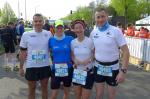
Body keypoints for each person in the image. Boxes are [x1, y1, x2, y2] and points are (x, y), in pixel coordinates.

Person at [90, 8, 130, 99]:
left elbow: (126, 51)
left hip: (113, 68)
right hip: (98, 67)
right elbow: (92, 51)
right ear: (95, 19)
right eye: (98, 17)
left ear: (107, 17)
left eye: (103, 16)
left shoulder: (116, 31)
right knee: (99, 94)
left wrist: (123, 71)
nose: (100, 19)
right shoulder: (93, 32)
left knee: (111, 96)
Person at [19, 13, 52, 99]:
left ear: (43, 22)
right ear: (32, 22)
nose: (38, 23)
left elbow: (52, 50)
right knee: (31, 89)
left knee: (44, 89)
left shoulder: (48, 34)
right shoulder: (26, 35)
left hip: (44, 66)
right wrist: (21, 67)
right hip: (31, 66)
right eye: (36, 21)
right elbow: (22, 53)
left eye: (40, 21)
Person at [49, 20, 73, 99]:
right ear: (54, 28)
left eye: (61, 27)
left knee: (66, 92)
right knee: (54, 94)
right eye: (57, 28)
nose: (59, 29)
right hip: (56, 69)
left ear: (63, 28)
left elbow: (76, 50)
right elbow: (46, 51)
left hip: (68, 68)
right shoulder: (51, 40)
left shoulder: (70, 39)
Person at [71, 19, 94, 99]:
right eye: (76, 28)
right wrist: (74, 60)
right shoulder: (73, 42)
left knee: (85, 97)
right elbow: (72, 55)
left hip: (88, 71)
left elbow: (94, 53)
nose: (78, 30)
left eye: (80, 27)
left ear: (83, 28)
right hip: (77, 72)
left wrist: (89, 60)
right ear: (74, 30)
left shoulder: (90, 41)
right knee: (77, 96)